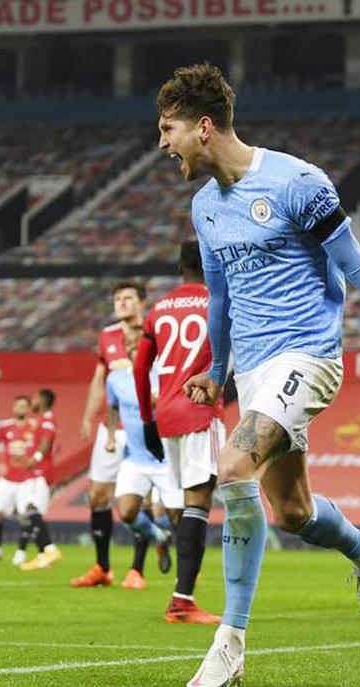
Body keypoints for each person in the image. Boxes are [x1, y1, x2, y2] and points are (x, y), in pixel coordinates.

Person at [156, 64, 360, 687]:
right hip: (256, 369)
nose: (163, 143)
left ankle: (230, 643)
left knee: (233, 467)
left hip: (309, 356)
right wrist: (215, 372)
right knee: (290, 513)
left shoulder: (298, 182)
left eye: (169, 128)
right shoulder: (204, 207)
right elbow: (220, 300)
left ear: (202, 127)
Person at [134, 240, 224, 623]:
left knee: (191, 503)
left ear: (179, 269)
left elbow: (140, 367)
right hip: (200, 411)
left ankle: (184, 593)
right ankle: (183, 599)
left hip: (166, 414)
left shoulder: (159, 309)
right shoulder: (218, 301)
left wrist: (147, 420)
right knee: (198, 502)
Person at [71, 282, 146, 588]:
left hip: (144, 426)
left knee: (142, 498)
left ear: (142, 302)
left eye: (128, 298)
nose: (122, 303)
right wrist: (89, 416)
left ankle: (137, 570)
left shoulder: (155, 332)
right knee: (98, 494)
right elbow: (99, 378)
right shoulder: (107, 336)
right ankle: (102, 567)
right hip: (112, 427)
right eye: (117, 298)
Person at [107, 324, 184, 590]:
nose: (130, 345)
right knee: (126, 512)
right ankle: (159, 538)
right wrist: (109, 436)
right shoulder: (115, 378)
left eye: (136, 341)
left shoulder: (164, 374)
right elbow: (112, 408)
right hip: (135, 457)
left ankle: (185, 577)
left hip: (164, 456)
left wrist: (159, 402)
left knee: (177, 515)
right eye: (127, 341)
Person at [0, 395, 62, 570]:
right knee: (23, 512)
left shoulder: (39, 424)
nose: (22, 408)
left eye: (25, 405)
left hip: (32, 475)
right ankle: (42, 554)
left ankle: (37, 550)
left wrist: (36, 459)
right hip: (15, 477)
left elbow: (51, 444)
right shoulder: (7, 427)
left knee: (30, 514)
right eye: (17, 405)